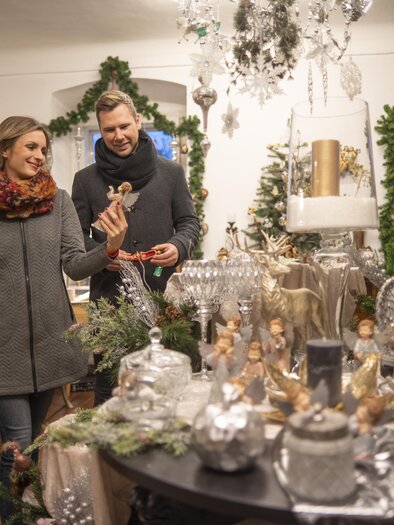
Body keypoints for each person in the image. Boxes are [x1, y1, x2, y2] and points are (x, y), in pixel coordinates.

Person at [0, 116, 128, 522]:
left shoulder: (56, 201)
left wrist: (111, 246)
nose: (40, 156)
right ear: (5, 151)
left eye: (43, 149)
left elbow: (74, 264)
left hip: (49, 344)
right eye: (30, 148)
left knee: (32, 445)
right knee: (17, 444)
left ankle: (22, 512)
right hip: (4, 347)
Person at [71, 89, 200, 405]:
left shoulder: (170, 173)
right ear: (101, 132)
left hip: (164, 300)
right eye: (109, 130)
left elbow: (189, 223)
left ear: (138, 121)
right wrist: (103, 256)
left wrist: (178, 245)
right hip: (110, 303)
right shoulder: (85, 180)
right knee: (111, 393)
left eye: (124, 126)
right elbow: (74, 240)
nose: (118, 135)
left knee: (167, 390)